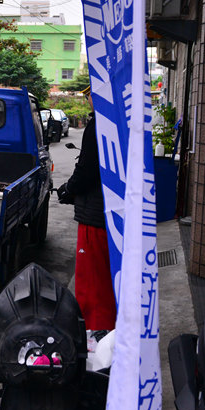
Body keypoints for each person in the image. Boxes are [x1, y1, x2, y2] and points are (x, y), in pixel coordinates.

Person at [56, 86, 116, 334]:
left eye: (89, 94)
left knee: (92, 289)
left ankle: (95, 345)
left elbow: (87, 171)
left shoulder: (99, 125)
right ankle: (108, 337)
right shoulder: (118, 122)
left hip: (95, 216)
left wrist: (68, 190)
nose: (88, 99)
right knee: (105, 284)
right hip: (112, 213)